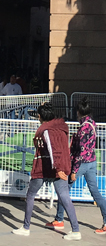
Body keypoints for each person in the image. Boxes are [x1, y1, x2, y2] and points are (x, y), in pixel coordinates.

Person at [14, 102, 80, 238]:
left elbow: (52, 149)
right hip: (60, 166)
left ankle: (26, 227)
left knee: (31, 195)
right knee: (65, 197)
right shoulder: (62, 128)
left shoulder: (46, 130)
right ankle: (75, 230)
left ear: (40, 116)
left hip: (45, 167)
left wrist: (58, 167)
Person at [51, 98, 106, 234]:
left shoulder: (83, 128)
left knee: (64, 189)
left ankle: (59, 219)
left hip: (82, 163)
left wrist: (74, 170)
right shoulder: (92, 123)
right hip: (92, 162)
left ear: (79, 112)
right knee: (95, 192)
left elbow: (81, 151)